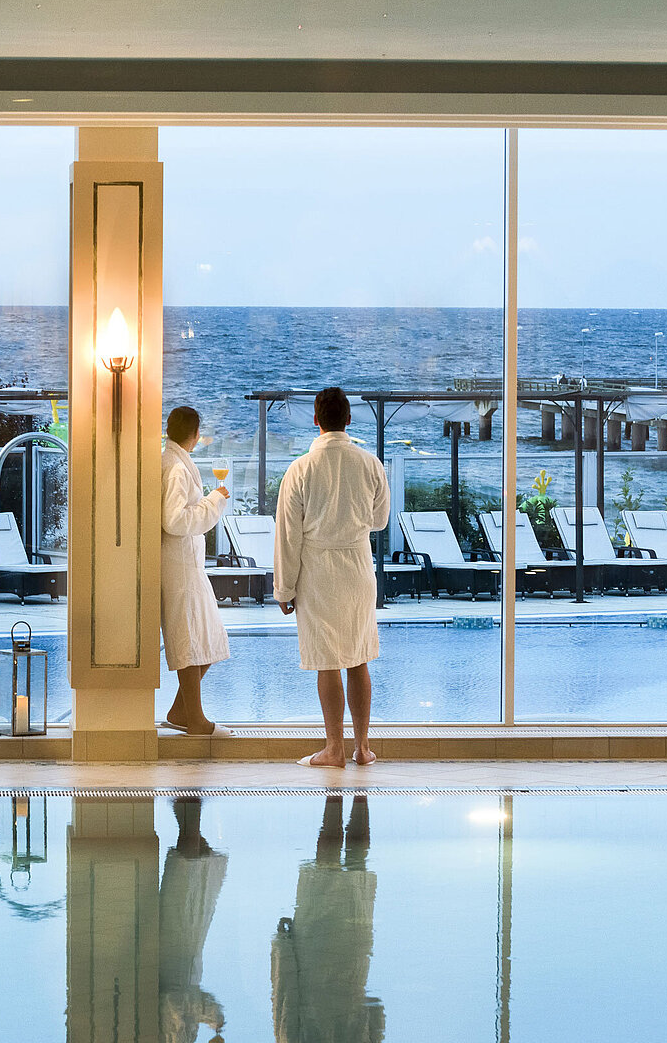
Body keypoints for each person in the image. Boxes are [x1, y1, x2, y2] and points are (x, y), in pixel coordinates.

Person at [274, 387, 388, 768]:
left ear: (316, 420)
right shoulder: (371, 463)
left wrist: (283, 588)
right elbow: (380, 520)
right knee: (358, 658)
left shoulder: (301, 469)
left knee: (328, 661)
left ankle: (333, 748)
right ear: (349, 420)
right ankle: (362, 748)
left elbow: (288, 535)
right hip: (357, 567)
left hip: (318, 573)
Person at [270, 794, 383, 1043]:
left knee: (356, 863)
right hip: (315, 953)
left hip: (351, 960)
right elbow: (284, 997)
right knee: (327, 866)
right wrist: (282, 944)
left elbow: (376, 1015)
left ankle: (357, 792)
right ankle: (338, 789)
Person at [160, 406, 235, 737]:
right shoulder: (176, 468)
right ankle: (195, 719)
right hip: (179, 567)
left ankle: (180, 711)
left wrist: (208, 500)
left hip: (185, 565)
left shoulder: (172, 462)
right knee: (191, 640)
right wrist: (215, 501)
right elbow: (174, 520)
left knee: (207, 637)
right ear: (195, 434)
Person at [159, 796, 228, 1043]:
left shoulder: (170, 1038)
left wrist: (207, 1014)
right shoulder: (185, 1037)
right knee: (195, 867)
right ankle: (187, 808)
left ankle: (188, 806)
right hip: (188, 949)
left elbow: (172, 1000)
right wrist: (210, 1017)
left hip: (175, 944)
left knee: (187, 869)